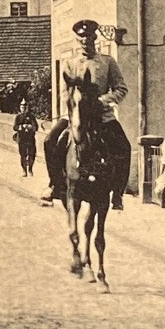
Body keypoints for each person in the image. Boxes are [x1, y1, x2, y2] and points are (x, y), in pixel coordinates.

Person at [43, 18, 131, 209]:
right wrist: (74, 108)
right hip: (74, 116)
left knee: (124, 147)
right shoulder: (70, 64)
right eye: (82, 39)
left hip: (102, 116)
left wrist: (103, 100)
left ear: (95, 38)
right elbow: (64, 92)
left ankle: (117, 194)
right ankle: (55, 184)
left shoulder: (107, 62)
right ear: (77, 40)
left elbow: (121, 89)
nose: (86, 42)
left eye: (89, 38)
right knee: (50, 141)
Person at [12, 95, 39, 177]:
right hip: (22, 139)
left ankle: (30, 169)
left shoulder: (31, 116)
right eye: (22, 107)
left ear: (27, 107)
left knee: (32, 154)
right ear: (20, 107)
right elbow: (15, 127)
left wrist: (31, 127)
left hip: (30, 138)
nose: (24, 108)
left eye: (25, 106)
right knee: (23, 155)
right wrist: (21, 126)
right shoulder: (18, 117)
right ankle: (24, 170)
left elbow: (36, 127)